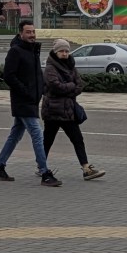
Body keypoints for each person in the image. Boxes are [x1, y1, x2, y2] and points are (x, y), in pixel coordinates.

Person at [0, 19, 62, 187]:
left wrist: (41, 89)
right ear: (20, 33)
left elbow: (35, 75)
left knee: (15, 134)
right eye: (28, 32)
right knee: (37, 133)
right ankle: (45, 172)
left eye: (33, 32)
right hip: (23, 101)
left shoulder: (33, 50)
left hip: (31, 100)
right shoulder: (16, 51)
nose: (32, 35)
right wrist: (25, 91)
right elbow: (9, 76)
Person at [41, 38, 105, 181]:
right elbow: (55, 86)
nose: (64, 54)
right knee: (48, 140)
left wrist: (68, 88)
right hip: (53, 111)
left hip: (68, 111)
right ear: (56, 52)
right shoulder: (50, 68)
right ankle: (41, 166)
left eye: (66, 51)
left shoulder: (71, 66)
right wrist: (71, 86)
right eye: (61, 51)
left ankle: (86, 168)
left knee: (77, 139)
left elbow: (79, 85)